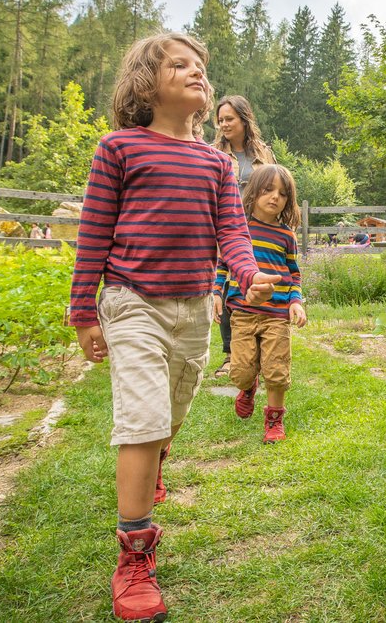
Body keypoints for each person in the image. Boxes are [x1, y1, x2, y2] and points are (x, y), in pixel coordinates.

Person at [67, 32, 281, 622]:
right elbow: (93, 235)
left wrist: (246, 272)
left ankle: (155, 459)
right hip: (131, 301)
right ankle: (134, 556)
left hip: (193, 308)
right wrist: (84, 311)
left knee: (170, 415)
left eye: (199, 67)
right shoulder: (120, 149)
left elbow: (232, 232)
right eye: (179, 65)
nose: (196, 74)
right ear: (146, 83)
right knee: (142, 419)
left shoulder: (215, 162)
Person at [214, 164, 306, 444]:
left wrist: (296, 301)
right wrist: (217, 293)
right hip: (242, 313)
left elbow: (294, 274)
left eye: (282, 194)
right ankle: (248, 387)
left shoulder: (286, 236)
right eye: (268, 190)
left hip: (277, 315)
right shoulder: (238, 231)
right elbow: (222, 265)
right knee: (240, 372)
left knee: (277, 371)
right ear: (254, 192)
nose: (275, 197)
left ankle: (274, 421)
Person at [210, 96, 276, 379]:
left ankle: (259, 353)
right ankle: (230, 356)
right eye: (221, 119)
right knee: (228, 290)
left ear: (244, 120)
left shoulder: (264, 153)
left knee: (258, 289)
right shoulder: (212, 153)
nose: (224, 124)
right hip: (225, 230)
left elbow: (276, 185)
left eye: (229, 119)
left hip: (258, 229)